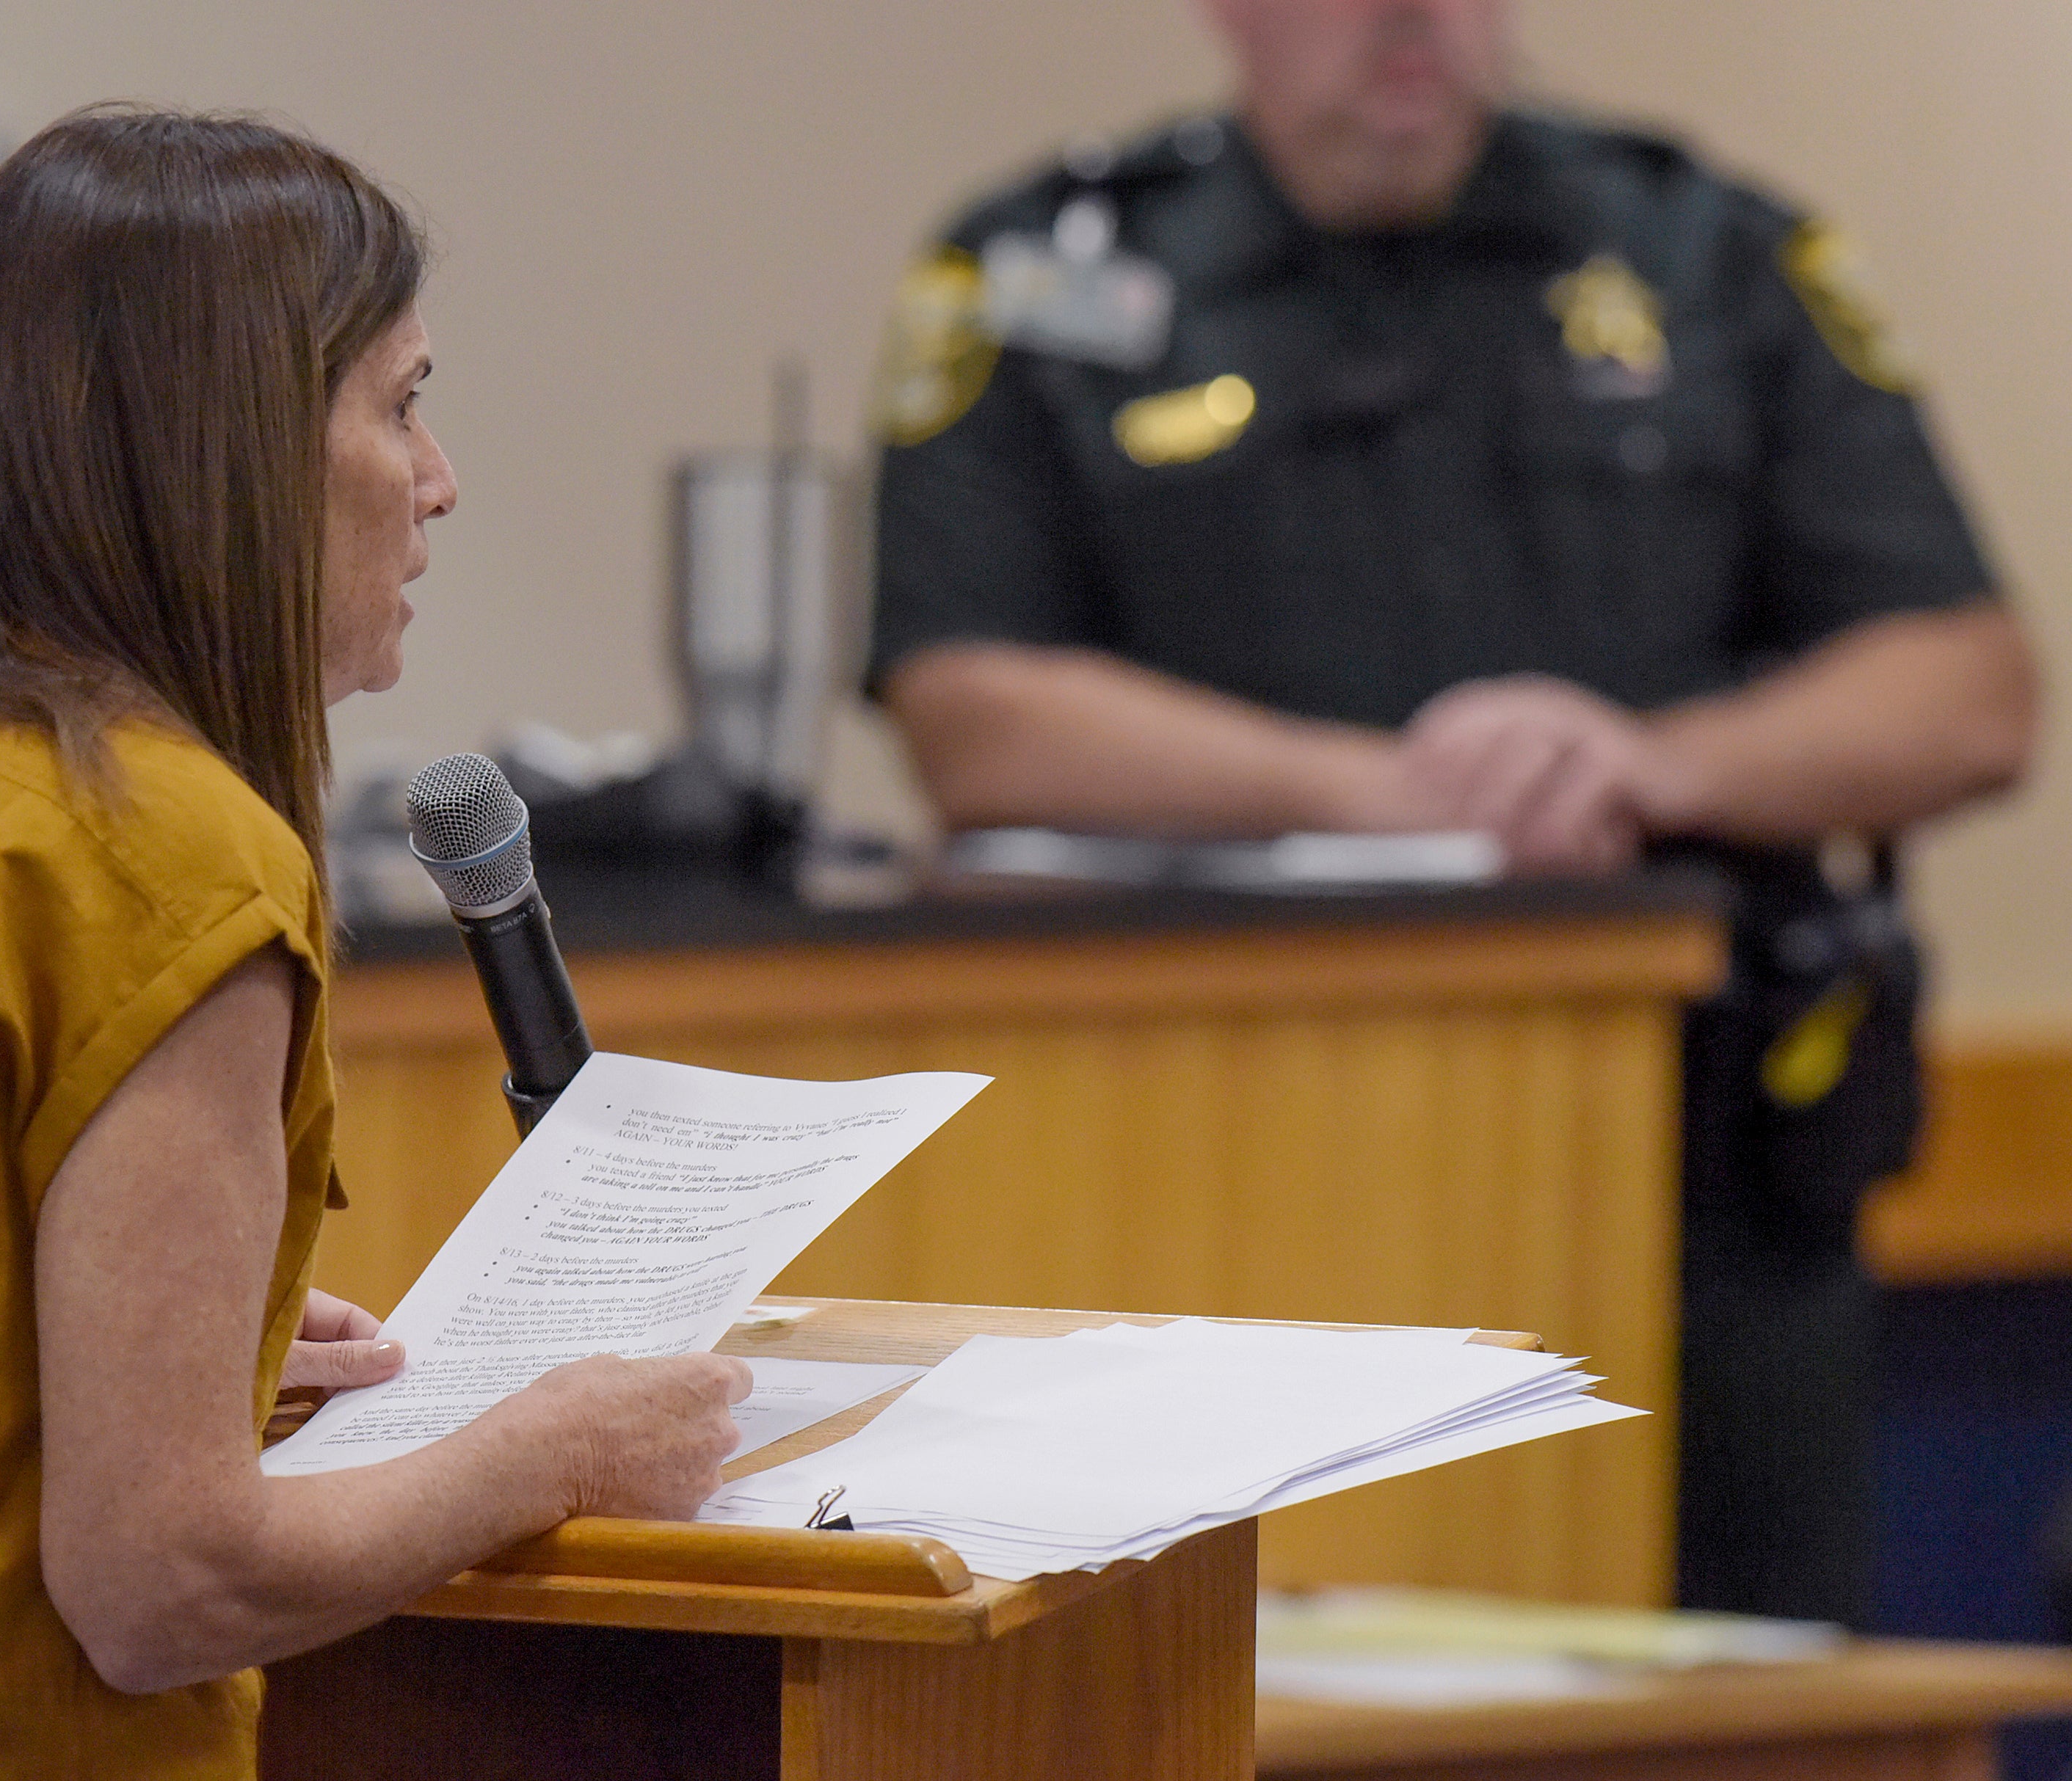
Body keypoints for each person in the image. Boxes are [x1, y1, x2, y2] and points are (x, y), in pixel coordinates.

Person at [868, 0, 2039, 1624]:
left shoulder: (1712, 252)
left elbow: (1970, 684)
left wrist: (1650, 765)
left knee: (1755, 1685)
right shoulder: (1042, 273)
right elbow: (973, 713)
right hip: (1229, 1167)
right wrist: (1383, 797)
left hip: (1697, 1176)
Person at [0, 107, 748, 1780]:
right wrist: (550, 1451)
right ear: (232, 442)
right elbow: (164, 1580)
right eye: (403, 403)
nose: (440, 480)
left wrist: (100, 1346)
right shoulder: (161, 849)